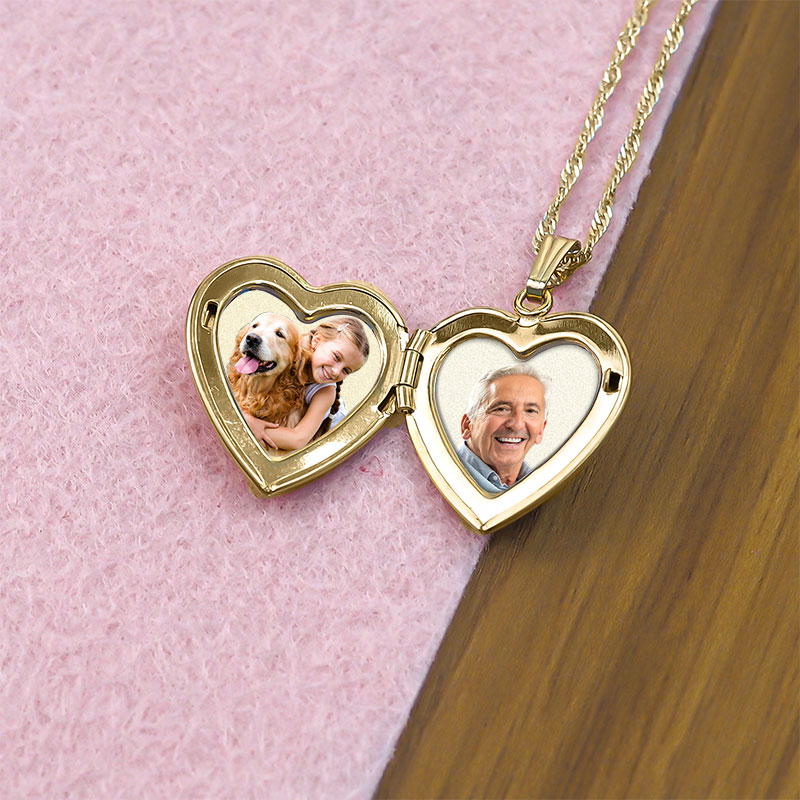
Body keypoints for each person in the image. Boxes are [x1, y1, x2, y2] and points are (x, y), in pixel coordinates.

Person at [245, 316, 369, 451]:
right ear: (316, 341)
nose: (336, 371)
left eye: (346, 370)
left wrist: (249, 425)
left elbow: (297, 439)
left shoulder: (326, 392)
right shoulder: (291, 348)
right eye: (336, 357)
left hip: (335, 444)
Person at [457, 363, 549, 493]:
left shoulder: (544, 490)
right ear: (467, 426)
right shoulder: (438, 480)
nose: (517, 424)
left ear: (541, 431)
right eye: (502, 409)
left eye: (530, 411)